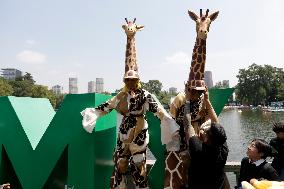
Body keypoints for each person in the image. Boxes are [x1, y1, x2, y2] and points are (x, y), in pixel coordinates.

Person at [81, 18, 178, 189]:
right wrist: (94, 113)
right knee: (120, 165)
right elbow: (107, 106)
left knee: (139, 167)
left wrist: (168, 121)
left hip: (139, 134)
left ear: (137, 80)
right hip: (123, 135)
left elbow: (158, 111)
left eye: (133, 80)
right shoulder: (121, 95)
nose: (131, 82)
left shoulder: (145, 95)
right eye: (129, 80)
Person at [164, 9, 220, 189]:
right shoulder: (179, 99)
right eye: (193, 90)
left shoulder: (204, 99)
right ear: (187, 87)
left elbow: (211, 123)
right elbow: (170, 124)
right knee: (173, 175)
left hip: (199, 143)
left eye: (199, 90)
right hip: (180, 142)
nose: (196, 93)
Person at [184, 98, 229, 189]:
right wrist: (207, 100)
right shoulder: (223, 149)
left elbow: (188, 124)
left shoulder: (198, 149)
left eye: (205, 131)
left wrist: (187, 100)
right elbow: (216, 123)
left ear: (206, 139)